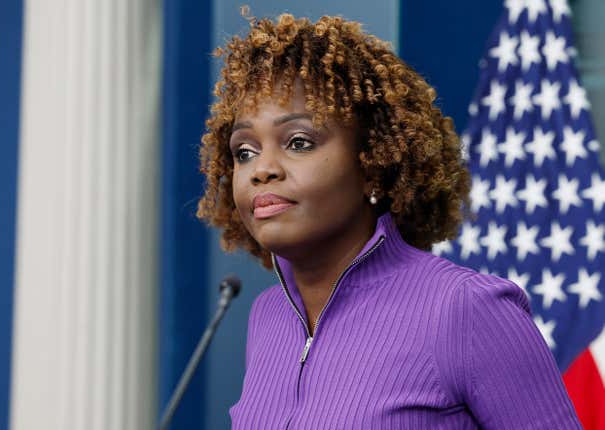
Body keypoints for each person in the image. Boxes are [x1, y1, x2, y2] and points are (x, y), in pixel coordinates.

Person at [196, 10, 582, 429]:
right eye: (244, 152)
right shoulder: (267, 316)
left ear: (373, 165)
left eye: (299, 142)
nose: (261, 169)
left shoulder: (466, 310)